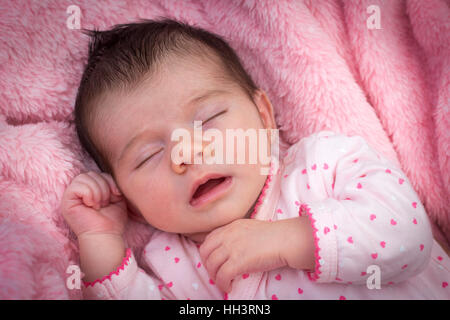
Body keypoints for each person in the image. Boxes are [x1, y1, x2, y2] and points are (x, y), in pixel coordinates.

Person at [60, 19, 449, 299]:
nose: (186, 153)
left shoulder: (321, 164)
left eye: (208, 119)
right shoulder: (173, 264)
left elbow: (407, 234)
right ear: (132, 203)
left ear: (263, 117)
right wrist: (100, 241)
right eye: (149, 155)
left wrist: (289, 238)